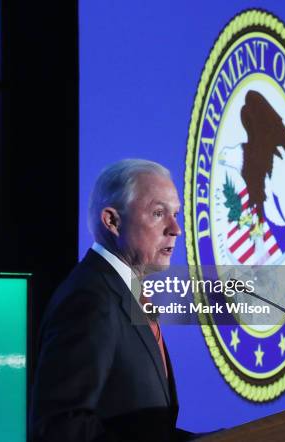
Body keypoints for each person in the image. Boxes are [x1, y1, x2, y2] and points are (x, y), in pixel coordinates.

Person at [30, 159, 195, 442]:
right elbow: (61, 427)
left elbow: (145, 431)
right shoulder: (90, 299)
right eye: (158, 213)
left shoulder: (124, 291)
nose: (175, 229)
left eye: (176, 214)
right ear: (112, 221)